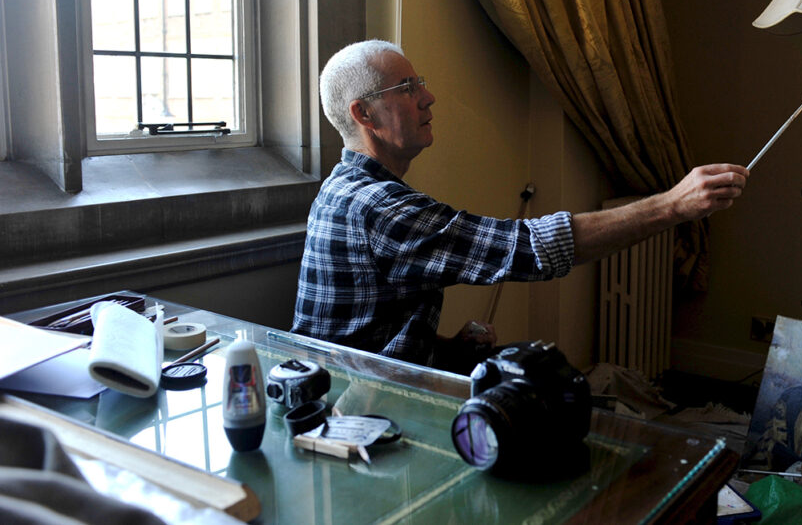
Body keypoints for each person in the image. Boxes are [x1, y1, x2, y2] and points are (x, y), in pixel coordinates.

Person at [292, 40, 749, 372]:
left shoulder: (345, 187)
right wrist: (671, 205)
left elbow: (366, 331)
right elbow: (527, 246)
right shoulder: (378, 207)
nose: (427, 97)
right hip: (350, 417)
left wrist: (449, 349)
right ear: (363, 114)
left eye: (421, 83)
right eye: (408, 87)